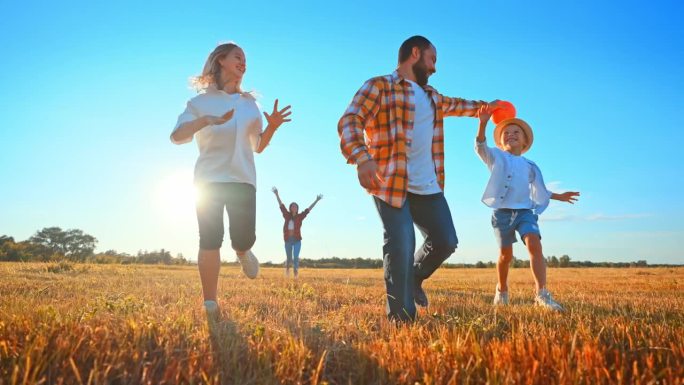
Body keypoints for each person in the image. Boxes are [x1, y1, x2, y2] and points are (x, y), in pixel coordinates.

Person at [338, 35, 502, 322]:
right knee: (400, 244)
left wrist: (488, 108)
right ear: (416, 53)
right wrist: (362, 157)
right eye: (433, 59)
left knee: (445, 240)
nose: (435, 68)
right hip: (390, 183)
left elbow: (461, 105)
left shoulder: (433, 97)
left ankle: (414, 278)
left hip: (429, 187)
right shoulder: (379, 86)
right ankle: (402, 320)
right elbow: (351, 120)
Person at [170, 42, 292, 316]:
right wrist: (206, 121)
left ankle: (242, 251)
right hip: (208, 181)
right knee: (210, 239)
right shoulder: (199, 102)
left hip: (242, 179)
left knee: (243, 238)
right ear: (221, 60)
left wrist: (271, 127)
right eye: (238, 57)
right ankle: (210, 301)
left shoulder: (250, 104)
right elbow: (177, 136)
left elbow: (258, 146)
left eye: (245, 59)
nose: (243, 62)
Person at [474, 104, 579, 311]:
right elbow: (480, 147)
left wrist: (560, 196)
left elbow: (540, 190)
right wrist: (483, 123)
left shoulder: (530, 166)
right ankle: (502, 290)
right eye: (506, 133)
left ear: (525, 141)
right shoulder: (495, 157)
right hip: (502, 214)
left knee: (534, 244)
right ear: (501, 140)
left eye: (516, 132)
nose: (510, 135)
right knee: (506, 256)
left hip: (524, 212)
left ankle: (542, 294)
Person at [272, 187, 322, 278]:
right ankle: (287, 273)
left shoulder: (300, 217)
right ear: (290, 208)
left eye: (295, 206)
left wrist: (316, 200)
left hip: (297, 240)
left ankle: (295, 275)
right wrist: (276, 194)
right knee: (289, 258)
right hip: (288, 240)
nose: (294, 207)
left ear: (297, 208)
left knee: (295, 258)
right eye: (292, 206)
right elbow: (281, 206)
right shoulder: (287, 215)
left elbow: (308, 210)